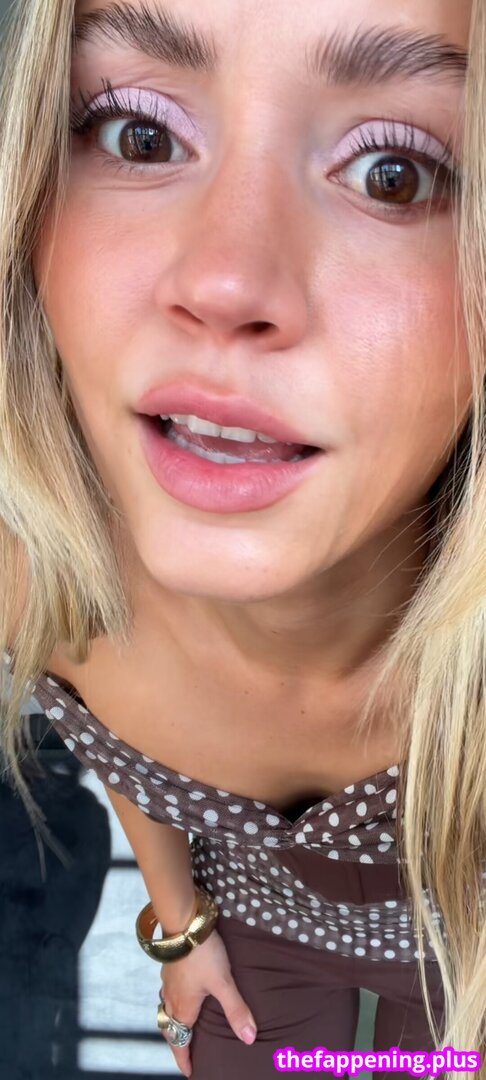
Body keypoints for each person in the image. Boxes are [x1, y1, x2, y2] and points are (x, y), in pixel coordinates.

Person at [0, 0, 483, 1077]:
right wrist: (178, 931)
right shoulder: (32, 570)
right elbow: (115, 736)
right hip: (255, 965)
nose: (223, 284)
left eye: (394, 173)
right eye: (140, 135)